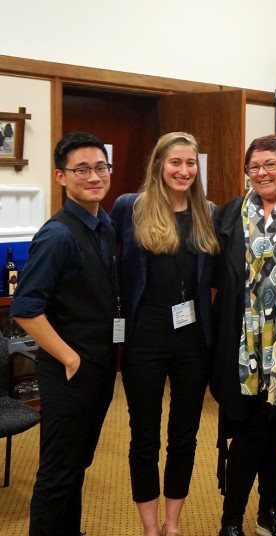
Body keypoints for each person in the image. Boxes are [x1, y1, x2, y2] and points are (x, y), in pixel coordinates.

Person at [110, 132, 219, 536]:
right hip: (145, 338)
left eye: (191, 163)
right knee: (144, 437)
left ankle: (173, 524)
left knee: (185, 436)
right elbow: (109, 267)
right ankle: (150, 527)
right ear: (159, 164)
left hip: (193, 340)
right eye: (176, 162)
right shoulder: (130, 208)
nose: (184, 170)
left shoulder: (207, 211)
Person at [12, 132, 118, 536]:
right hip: (69, 371)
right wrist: (70, 357)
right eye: (82, 170)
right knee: (58, 472)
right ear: (61, 176)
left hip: (98, 366)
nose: (94, 176)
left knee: (76, 464)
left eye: (100, 167)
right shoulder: (58, 235)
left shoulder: (102, 225)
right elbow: (25, 308)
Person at [211, 134, 276, 536]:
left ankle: (266, 511)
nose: (262, 173)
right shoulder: (229, 213)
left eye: (271, 164)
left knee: (275, 428)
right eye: (254, 166)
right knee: (250, 428)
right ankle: (237, 517)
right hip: (240, 346)